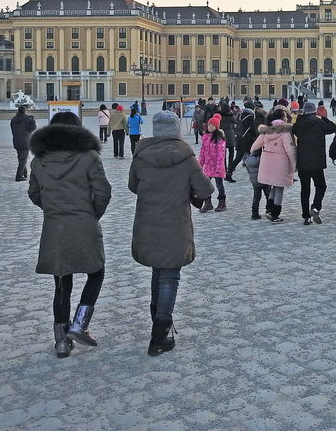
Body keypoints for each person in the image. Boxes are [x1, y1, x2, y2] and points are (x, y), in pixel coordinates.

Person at [128, 110, 213, 356]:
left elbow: (133, 186)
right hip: (175, 222)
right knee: (170, 275)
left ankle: (157, 316)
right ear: (176, 131)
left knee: (158, 269)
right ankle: (161, 332)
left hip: (148, 221)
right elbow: (205, 188)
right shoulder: (185, 157)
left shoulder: (141, 155)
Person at [28, 112, 111, 358]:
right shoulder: (89, 156)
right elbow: (103, 191)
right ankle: (80, 325)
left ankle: (61, 342)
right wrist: (91, 214)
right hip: (84, 223)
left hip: (55, 226)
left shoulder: (39, 160)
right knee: (96, 272)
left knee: (62, 283)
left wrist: (52, 209)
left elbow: (34, 193)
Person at [292, 101, 336, 225]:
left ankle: (306, 217)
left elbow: (294, 130)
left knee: (305, 189)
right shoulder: (319, 123)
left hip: (303, 162)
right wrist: (322, 117)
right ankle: (315, 207)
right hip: (316, 162)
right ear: (315, 111)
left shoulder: (299, 124)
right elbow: (332, 127)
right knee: (321, 186)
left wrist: (301, 117)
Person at [250, 108, 297, 223]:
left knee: (273, 187)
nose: (286, 118)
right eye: (285, 116)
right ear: (282, 118)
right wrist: (294, 165)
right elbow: (290, 150)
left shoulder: (267, 131)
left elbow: (254, 147)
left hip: (267, 163)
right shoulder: (285, 132)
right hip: (280, 163)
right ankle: (275, 214)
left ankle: (269, 210)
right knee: (279, 187)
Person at [198, 113, 228, 212]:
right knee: (205, 184)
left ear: (216, 127)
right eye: (209, 125)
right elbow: (202, 151)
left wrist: (219, 166)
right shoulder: (205, 137)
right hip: (208, 165)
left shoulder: (219, 137)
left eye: (212, 125)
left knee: (219, 184)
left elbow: (221, 153)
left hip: (217, 165)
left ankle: (222, 203)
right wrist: (200, 163)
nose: (210, 127)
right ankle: (208, 203)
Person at [226, 105, 258, 181]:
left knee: (238, 158)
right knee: (254, 157)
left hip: (240, 139)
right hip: (247, 140)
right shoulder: (250, 117)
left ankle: (229, 173)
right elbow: (252, 130)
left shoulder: (241, 116)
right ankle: (256, 175)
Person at [11, 105, 36, 182]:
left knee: (21, 158)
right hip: (25, 141)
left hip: (16, 141)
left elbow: (13, 129)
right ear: (25, 111)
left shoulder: (13, 119)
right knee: (23, 159)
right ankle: (18, 176)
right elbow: (33, 128)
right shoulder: (27, 119)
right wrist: (32, 120)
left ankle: (24, 173)